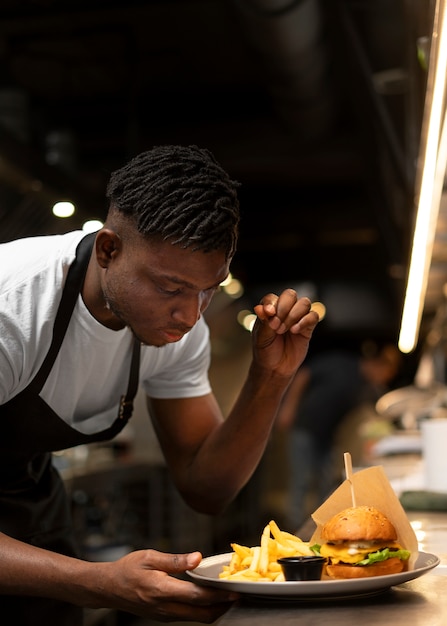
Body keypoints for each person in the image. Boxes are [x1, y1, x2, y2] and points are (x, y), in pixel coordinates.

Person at [0, 144, 319, 624]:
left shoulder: (177, 327)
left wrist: (270, 377)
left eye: (207, 290)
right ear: (108, 249)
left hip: (26, 509)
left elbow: (205, 486)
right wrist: (97, 582)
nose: (190, 316)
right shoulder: (13, 312)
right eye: (170, 288)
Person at [275, 343, 402, 530]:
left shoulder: (365, 387)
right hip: (305, 427)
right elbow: (304, 374)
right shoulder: (341, 363)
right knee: (301, 480)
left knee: (325, 483)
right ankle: (293, 531)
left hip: (328, 436)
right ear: (378, 365)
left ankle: (321, 527)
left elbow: (372, 419)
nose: (383, 381)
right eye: (386, 375)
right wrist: (288, 407)